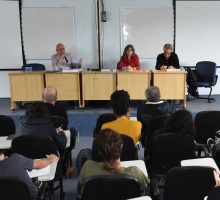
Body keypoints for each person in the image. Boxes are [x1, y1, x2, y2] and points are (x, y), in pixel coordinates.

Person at [77, 129, 150, 196]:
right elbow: (144, 187)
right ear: (121, 146)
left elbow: (81, 190)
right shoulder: (136, 173)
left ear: (99, 150)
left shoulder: (88, 167)